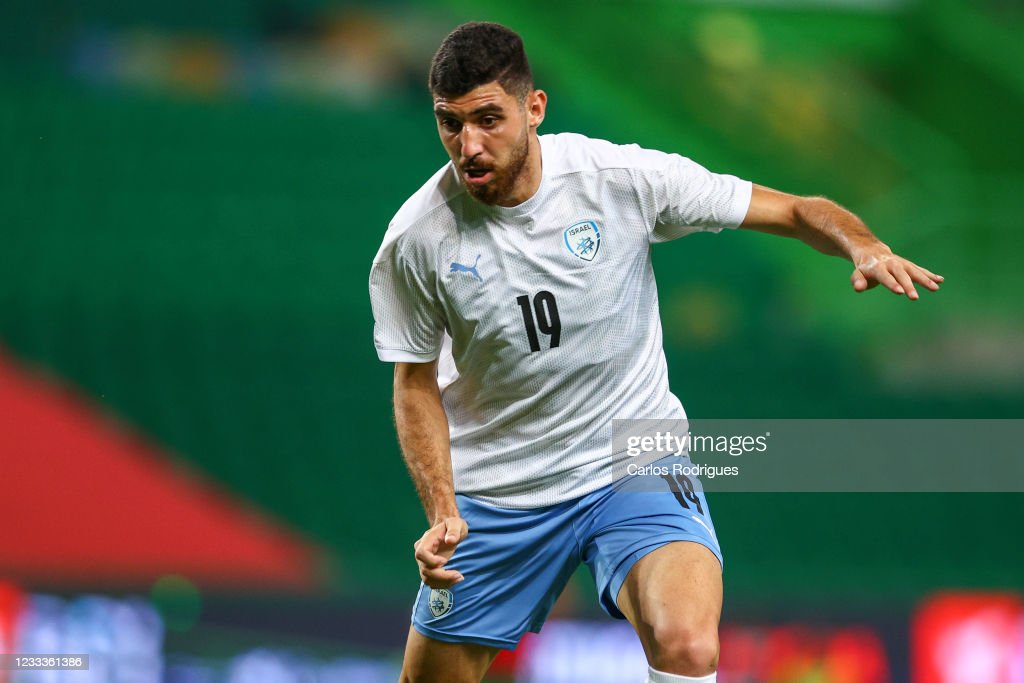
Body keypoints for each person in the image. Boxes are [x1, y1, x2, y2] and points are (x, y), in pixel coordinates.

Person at [368, 21, 941, 683]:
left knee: (688, 644)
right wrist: (442, 510)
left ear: (535, 108)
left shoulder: (621, 180)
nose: (468, 146)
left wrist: (862, 244)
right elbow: (414, 382)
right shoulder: (416, 240)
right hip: (501, 489)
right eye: (450, 123)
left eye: (488, 119)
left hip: (632, 459)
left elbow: (794, 210)